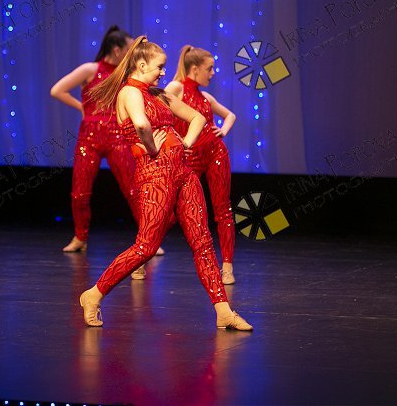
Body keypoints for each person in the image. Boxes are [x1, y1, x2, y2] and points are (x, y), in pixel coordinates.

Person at [78, 36, 252, 331]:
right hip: (155, 175)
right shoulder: (129, 92)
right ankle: (93, 294)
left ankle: (223, 311)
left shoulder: (159, 94)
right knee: (146, 246)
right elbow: (141, 124)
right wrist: (152, 147)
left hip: (183, 173)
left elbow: (197, 118)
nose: (163, 72)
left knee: (202, 242)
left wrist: (186, 142)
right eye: (159, 67)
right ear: (141, 64)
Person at [50, 26, 163, 270]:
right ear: (117, 50)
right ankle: (80, 237)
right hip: (89, 139)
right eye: (129, 49)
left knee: (133, 189)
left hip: (117, 138)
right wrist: (82, 107)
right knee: (80, 192)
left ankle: (149, 238)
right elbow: (57, 90)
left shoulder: (127, 76)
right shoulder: (90, 70)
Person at [166, 45, 237, 284]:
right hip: (190, 158)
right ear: (194, 68)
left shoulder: (206, 97)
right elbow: (157, 109)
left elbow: (230, 115)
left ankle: (227, 267)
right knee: (169, 208)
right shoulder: (176, 88)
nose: (213, 73)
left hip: (215, 154)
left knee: (223, 210)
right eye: (210, 68)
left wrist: (223, 131)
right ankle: (142, 255)